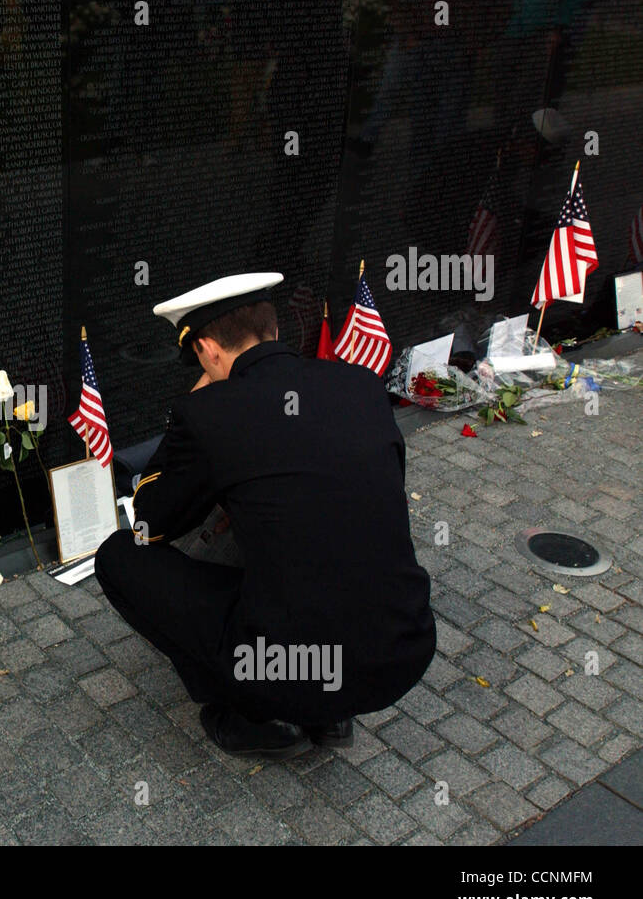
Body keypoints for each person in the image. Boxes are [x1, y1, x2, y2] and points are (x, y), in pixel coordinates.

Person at [95, 273, 435, 758]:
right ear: (274, 330)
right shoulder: (359, 384)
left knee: (117, 556)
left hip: (286, 670)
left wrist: (189, 412)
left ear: (208, 350)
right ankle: (332, 714)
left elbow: (152, 521)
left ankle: (251, 713)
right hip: (401, 650)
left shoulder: (210, 413)